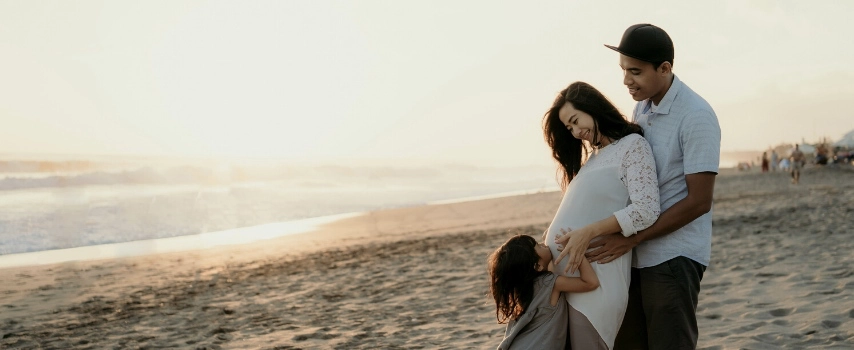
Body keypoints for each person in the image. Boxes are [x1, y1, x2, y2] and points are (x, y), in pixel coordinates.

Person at [591, 23, 721, 349]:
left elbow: (699, 202)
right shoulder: (642, 107)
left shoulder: (696, 115)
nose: (625, 81)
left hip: (673, 257)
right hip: (636, 254)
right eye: (623, 70)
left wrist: (632, 237)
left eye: (635, 71)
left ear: (664, 68)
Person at [543, 81, 661, 349]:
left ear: (592, 107)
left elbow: (646, 210)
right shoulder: (593, 158)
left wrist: (588, 232)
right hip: (569, 282)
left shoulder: (633, 146)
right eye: (569, 128)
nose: (575, 132)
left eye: (575, 121)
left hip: (597, 282)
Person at [490, 235, 600, 350]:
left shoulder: (524, 290)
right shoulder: (549, 283)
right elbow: (591, 282)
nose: (544, 244)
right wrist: (575, 251)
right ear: (537, 266)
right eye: (538, 246)